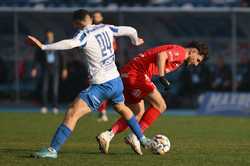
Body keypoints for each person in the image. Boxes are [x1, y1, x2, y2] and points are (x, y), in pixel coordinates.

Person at [27, 9, 154, 159]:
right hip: (116, 81)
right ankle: (143, 139)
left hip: (101, 85)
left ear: (76, 23)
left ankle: (52, 150)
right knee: (122, 107)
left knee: (72, 113)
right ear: (91, 19)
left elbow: (70, 43)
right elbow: (130, 30)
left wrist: (43, 47)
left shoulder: (83, 34)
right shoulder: (106, 27)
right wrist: (135, 40)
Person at [97, 41, 209, 155]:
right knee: (161, 105)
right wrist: (161, 77)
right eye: (198, 60)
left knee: (136, 113)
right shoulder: (181, 52)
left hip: (127, 74)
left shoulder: (179, 56)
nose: (196, 64)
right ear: (193, 51)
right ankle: (136, 136)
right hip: (137, 74)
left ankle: (107, 135)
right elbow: (162, 55)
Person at [31, 30, 68, 114]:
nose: (49, 37)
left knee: (55, 88)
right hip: (45, 68)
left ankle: (55, 106)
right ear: (46, 36)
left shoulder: (56, 44)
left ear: (53, 36)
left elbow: (63, 57)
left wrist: (64, 69)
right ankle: (44, 106)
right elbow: (37, 58)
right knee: (44, 88)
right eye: (48, 36)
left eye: (51, 36)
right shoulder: (42, 45)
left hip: (55, 68)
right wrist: (34, 68)